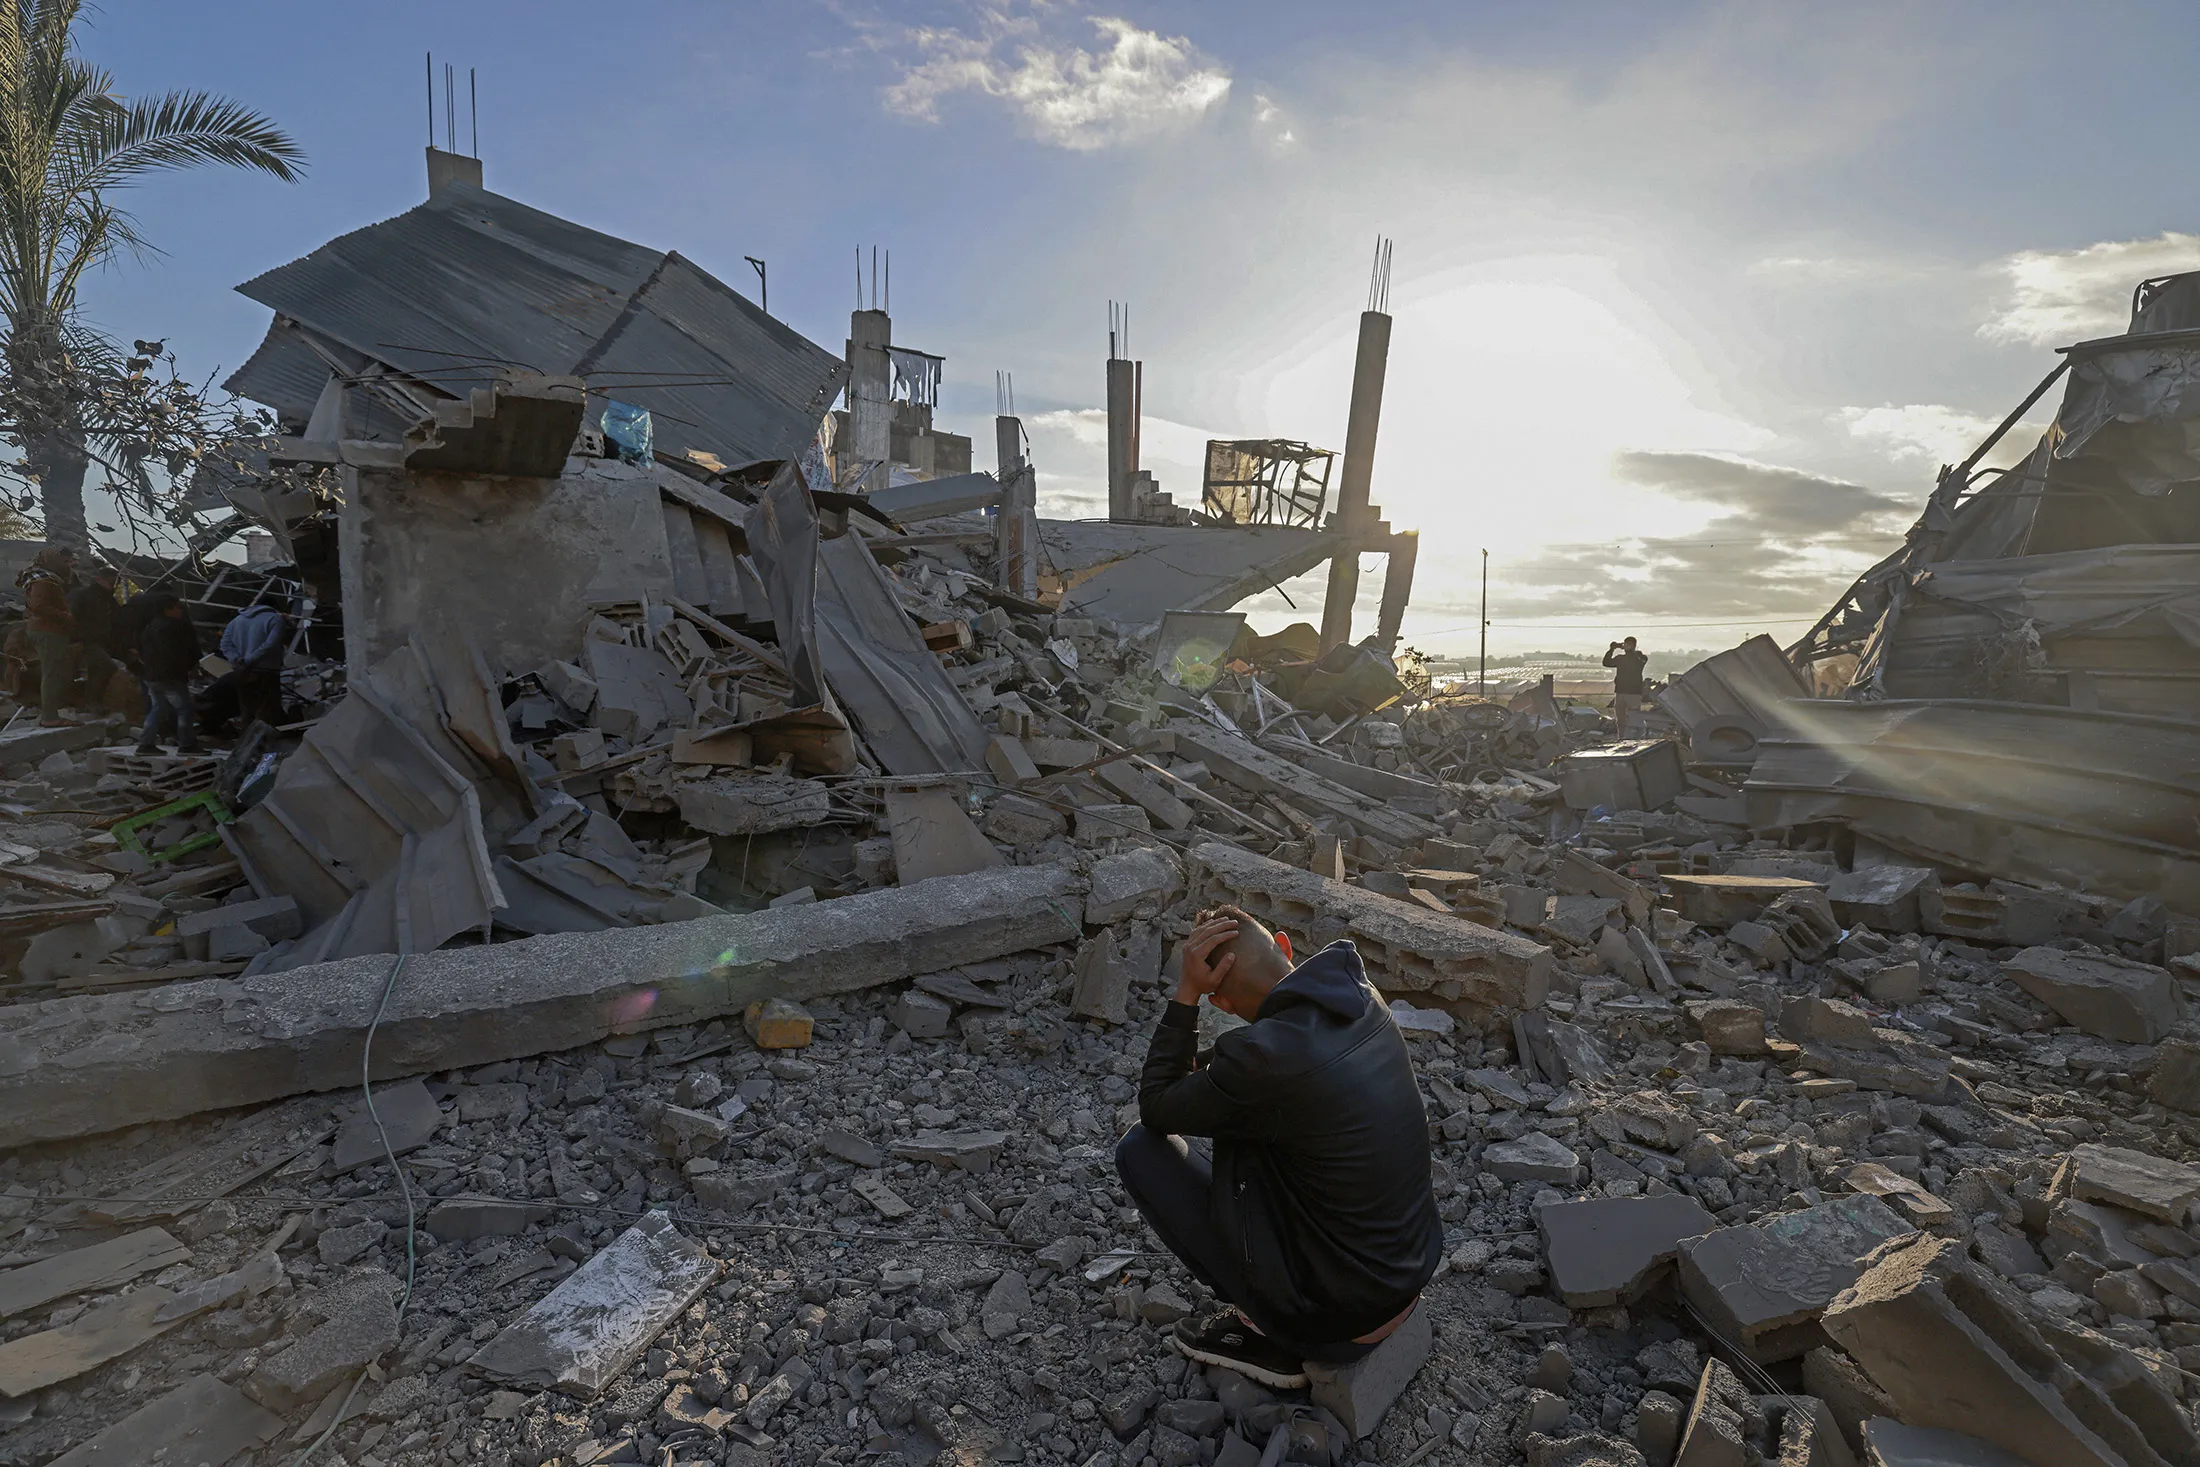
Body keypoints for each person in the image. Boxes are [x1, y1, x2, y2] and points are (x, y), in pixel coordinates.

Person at [1114, 906, 1442, 1388]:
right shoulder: (1360, 995)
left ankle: (1270, 1333)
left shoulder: (1262, 1059)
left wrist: (1185, 992)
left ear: (1219, 1003)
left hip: (1339, 1325)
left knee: (1140, 1151)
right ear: (1285, 947)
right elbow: (1223, 1076)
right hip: (1406, 1278)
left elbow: (1158, 1108)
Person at [14, 544, 78, 726]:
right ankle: (50, 717)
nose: (68, 565)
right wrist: (65, 616)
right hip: (47, 630)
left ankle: (52, 711)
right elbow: (38, 606)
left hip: (51, 630)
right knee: (52, 673)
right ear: (52, 561)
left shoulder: (50, 578)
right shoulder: (43, 581)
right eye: (64, 561)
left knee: (58, 671)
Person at [134, 593, 200, 754]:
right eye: (178, 607)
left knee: (159, 707)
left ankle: (146, 744)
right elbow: (181, 652)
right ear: (168, 609)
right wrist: (190, 667)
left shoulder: (150, 627)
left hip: (151, 675)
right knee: (185, 709)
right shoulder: (176, 627)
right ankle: (187, 744)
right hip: (171, 675)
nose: (181, 611)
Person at [218, 600, 288, 730]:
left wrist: (237, 659)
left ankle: (248, 743)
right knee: (268, 709)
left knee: (247, 709)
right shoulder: (275, 619)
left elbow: (225, 644)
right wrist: (250, 659)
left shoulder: (236, 621)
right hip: (267, 670)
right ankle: (266, 744)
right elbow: (271, 644)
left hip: (242, 671)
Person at [65, 563, 123, 710]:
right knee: (106, 666)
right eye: (111, 582)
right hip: (85, 641)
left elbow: (118, 621)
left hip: (101, 641)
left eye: (116, 582)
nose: (114, 585)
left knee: (98, 669)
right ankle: (91, 701)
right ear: (99, 579)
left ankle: (89, 702)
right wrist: (75, 640)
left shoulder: (109, 600)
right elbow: (69, 618)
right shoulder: (83, 595)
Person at [1603, 635, 1649, 738]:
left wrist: (1630, 651)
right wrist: (1611, 650)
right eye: (1625, 644)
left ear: (1634, 645)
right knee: (1621, 720)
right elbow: (1606, 663)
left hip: (1634, 693)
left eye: (1629, 644)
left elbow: (1640, 661)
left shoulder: (1640, 658)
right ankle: (1621, 739)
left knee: (1634, 719)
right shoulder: (1620, 659)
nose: (1626, 646)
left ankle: (1634, 739)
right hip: (1621, 692)